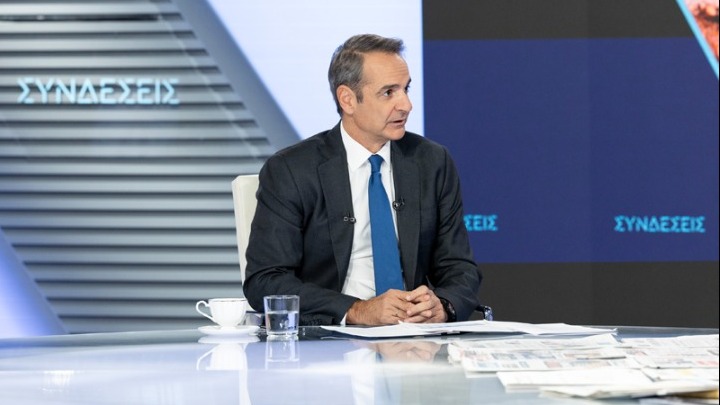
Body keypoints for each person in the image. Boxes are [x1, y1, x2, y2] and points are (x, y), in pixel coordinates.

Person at [243, 33, 481, 326]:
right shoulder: (292, 169)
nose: (406, 105)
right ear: (348, 99)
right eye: (388, 92)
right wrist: (356, 310)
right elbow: (266, 280)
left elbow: (459, 267)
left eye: (406, 89)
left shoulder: (432, 162)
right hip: (329, 339)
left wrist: (442, 306)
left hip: (414, 337)